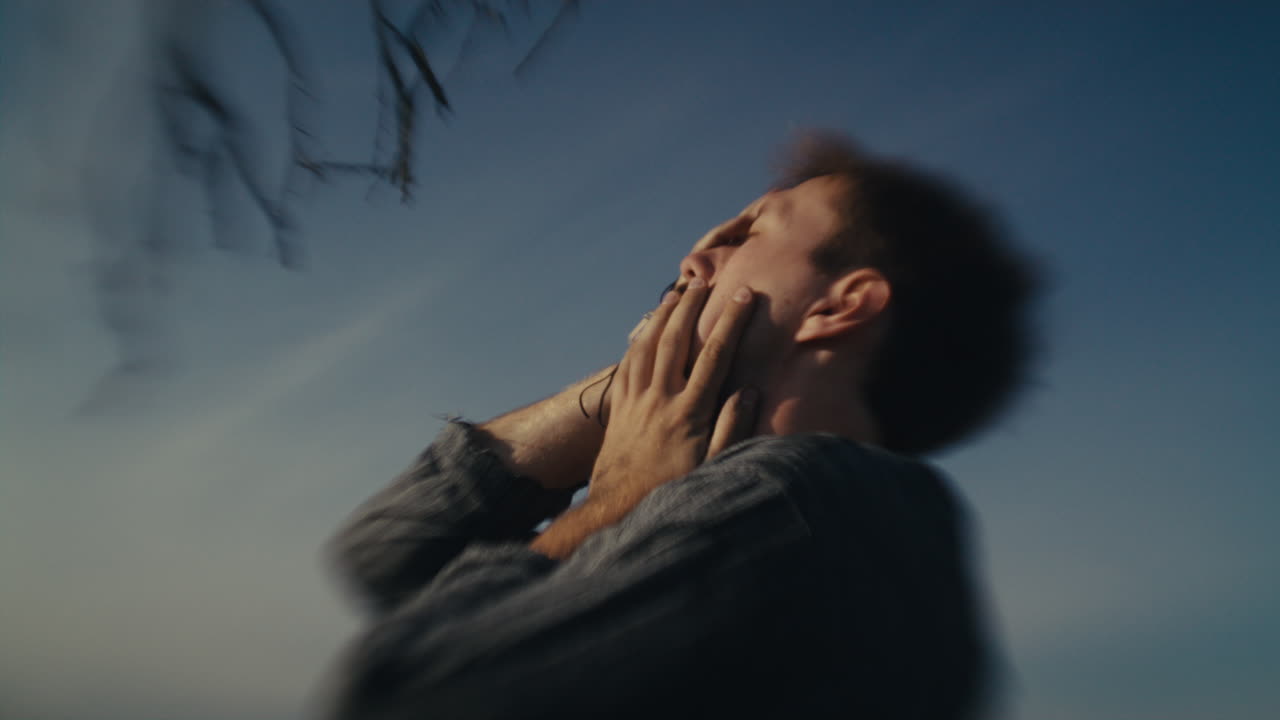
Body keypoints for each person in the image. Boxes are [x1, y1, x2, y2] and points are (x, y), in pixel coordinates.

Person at [320, 131, 1041, 719]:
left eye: (750, 232)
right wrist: (625, 391)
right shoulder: (855, 516)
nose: (695, 256)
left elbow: (400, 696)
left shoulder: (793, 498)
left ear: (841, 306)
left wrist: (618, 497)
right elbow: (387, 553)